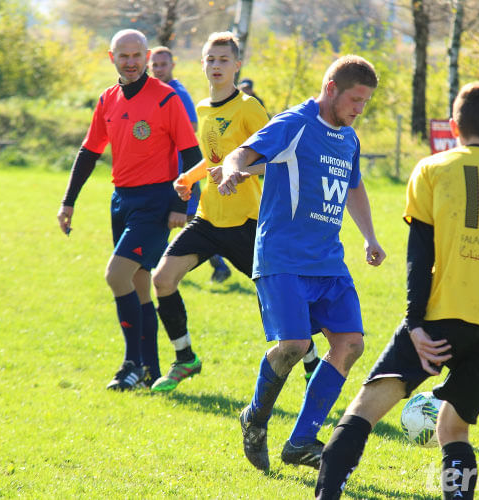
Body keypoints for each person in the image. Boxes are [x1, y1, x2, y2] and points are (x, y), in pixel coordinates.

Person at [314, 81, 479, 500]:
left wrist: (415, 323)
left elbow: (419, 257)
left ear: (454, 126)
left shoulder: (433, 168)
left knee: (362, 411)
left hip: (439, 318)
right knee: (453, 429)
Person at [218, 55, 386, 472]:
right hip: (283, 258)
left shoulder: (349, 138)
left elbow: (354, 187)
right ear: (331, 87)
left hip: (328, 261)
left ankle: (301, 440)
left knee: (350, 345)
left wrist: (370, 236)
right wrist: (231, 171)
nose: (358, 109)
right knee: (293, 345)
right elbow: (242, 153)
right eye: (354, 100)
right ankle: (255, 418)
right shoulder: (295, 122)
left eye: (365, 103)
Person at [150, 32, 320, 393]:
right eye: (210, 59)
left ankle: (312, 366)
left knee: (277, 301)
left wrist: (241, 172)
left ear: (237, 65)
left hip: (247, 223)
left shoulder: (249, 107)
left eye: (223, 60)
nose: (216, 66)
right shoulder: (203, 108)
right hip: (208, 219)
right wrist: (189, 176)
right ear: (201, 64)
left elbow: (280, 157)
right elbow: (213, 158)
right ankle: (185, 359)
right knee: (162, 279)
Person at [56, 29, 202, 390]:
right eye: (124, 56)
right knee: (138, 286)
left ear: (148, 56)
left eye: (138, 55)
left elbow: (192, 155)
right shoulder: (108, 100)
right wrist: (68, 200)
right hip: (121, 200)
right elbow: (89, 152)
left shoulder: (167, 99)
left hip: (156, 202)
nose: (132, 62)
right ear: (112, 58)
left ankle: (130, 364)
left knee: (116, 275)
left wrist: (180, 204)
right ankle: (149, 370)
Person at [149, 45, 232, 283]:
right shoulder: (155, 91)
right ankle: (161, 265)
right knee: (170, 220)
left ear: (172, 66)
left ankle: (218, 264)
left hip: (181, 170)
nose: (158, 69)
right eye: (154, 65)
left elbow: (193, 126)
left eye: (163, 64)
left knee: (191, 222)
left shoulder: (177, 93)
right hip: (162, 171)